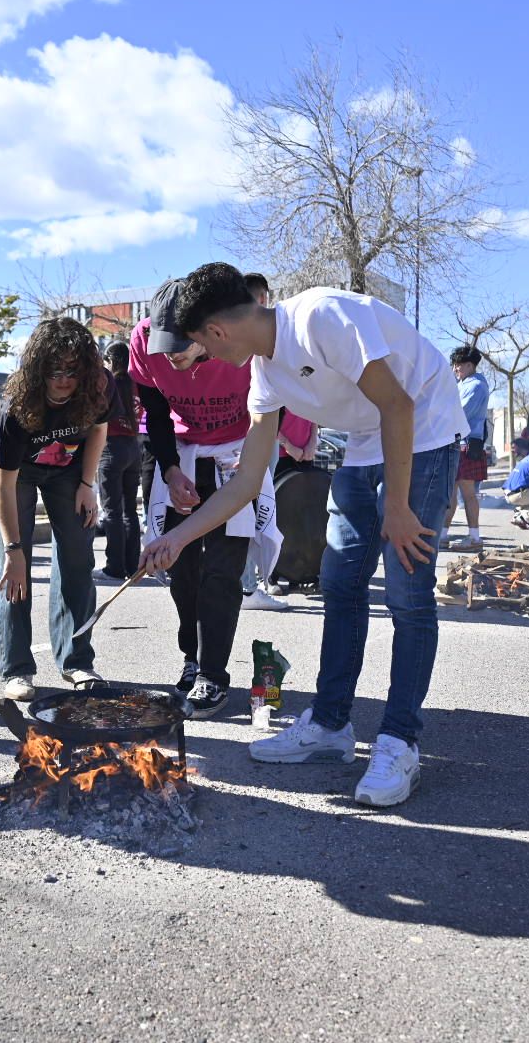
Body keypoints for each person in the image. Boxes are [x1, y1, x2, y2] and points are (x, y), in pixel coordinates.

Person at [141, 262, 461, 807]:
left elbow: (399, 403)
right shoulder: (264, 373)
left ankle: (399, 741)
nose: (202, 360)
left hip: (423, 429)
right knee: (339, 584)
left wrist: (401, 508)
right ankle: (332, 726)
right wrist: (178, 537)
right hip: (366, 441)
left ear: (217, 331)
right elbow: (245, 483)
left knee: (408, 593)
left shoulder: (322, 316)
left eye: (199, 345)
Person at [129, 280, 265, 718]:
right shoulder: (144, 342)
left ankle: (213, 674)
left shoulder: (240, 344)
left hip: (236, 454)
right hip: (181, 453)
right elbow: (153, 409)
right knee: (180, 566)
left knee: (221, 572)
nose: (171, 356)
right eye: (164, 345)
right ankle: (192, 658)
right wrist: (169, 468)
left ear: (209, 331)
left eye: (182, 345)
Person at [0, 318, 110, 700]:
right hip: (20, 476)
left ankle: (76, 660)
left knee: (77, 559)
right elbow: (4, 484)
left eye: (72, 371)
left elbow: (98, 430)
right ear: (39, 369)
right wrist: (13, 551)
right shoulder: (15, 408)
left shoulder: (98, 387)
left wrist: (88, 485)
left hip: (69, 472)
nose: (63, 380)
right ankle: (16, 669)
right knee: (14, 571)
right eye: (54, 370)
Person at [239, 271, 295, 611]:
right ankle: (248, 588)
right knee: (251, 511)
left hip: (256, 436)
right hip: (253, 437)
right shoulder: (254, 345)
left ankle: (252, 583)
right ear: (263, 299)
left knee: (255, 511)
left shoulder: (252, 342)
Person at [96, 340, 142, 581]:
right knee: (129, 510)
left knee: (112, 510)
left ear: (111, 360)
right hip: (133, 448)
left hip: (111, 447)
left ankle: (114, 567)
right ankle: (133, 566)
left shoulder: (108, 384)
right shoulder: (137, 384)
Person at [442, 345, 490, 551]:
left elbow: (459, 413)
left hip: (467, 443)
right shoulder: (464, 383)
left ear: (470, 365)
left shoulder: (476, 386)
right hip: (457, 442)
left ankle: (474, 538)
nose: (455, 369)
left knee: (468, 494)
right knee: (449, 493)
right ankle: (442, 536)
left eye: (458, 365)